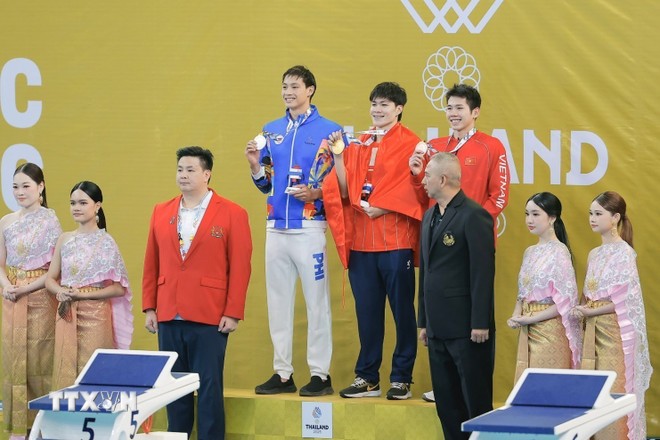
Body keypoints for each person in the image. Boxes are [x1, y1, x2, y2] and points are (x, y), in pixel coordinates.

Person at [324, 82, 426, 400]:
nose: (377, 110)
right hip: (362, 244)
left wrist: (385, 206)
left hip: (395, 241)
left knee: (402, 313)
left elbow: (417, 186)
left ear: (399, 109)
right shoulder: (359, 143)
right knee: (367, 314)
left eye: (384, 104)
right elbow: (343, 190)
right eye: (374, 104)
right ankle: (368, 377)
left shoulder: (413, 143)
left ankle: (401, 378)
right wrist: (338, 157)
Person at [409, 83, 509, 402]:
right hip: (438, 238)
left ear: (475, 112)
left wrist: (472, 223)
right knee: (438, 293)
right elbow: (422, 194)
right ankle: (446, 382)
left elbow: (499, 195)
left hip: (471, 236)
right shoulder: (436, 147)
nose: (453, 113)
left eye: (459, 108)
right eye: (449, 107)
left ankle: (468, 387)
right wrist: (416, 175)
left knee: (472, 299)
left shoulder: (491, 146)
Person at [143, 146, 252, 440]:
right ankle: (177, 436)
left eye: (190, 170)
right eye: (180, 169)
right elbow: (152, 261)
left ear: (207, 174)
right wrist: (150, 306)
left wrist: (233, 312)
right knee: (173, 387)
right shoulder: (161, 211)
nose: (183, 175)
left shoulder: (232, 213)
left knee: (209, 387)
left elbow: (240, 267)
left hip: (210, 314)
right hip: (168, 312)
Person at [245, 65, 340, 397]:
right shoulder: (270, 131)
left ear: (310, 90)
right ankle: (283, 373)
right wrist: (255, 165)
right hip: (276, 227)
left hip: (310, 227)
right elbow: (265, 184)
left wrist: (316, 194)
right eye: (284, 86)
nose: (288, 92)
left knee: (317, 303)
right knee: (278, 303)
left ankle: (320, 374)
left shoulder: (331, 132)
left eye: (295, 86)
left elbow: (341, 182)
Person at [417, 153, 495, 440]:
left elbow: (482, 272)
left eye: (427, 175)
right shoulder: (429, 216)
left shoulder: (473, 215)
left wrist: (480, 322)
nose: (423, 180)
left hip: (466, 328)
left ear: (442, 179)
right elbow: (425, 272)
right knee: (447, 404)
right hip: (437, 327)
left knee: (474, 402)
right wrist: (423, 321)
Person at [571, 192, 652, 440]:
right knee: (591, 392)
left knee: (613, 390)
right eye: (590, 213)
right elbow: (588, 294)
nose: (592, 218)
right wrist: (581, 309)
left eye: (598, 214)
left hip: (614, 335)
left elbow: (624, 300)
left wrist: (591, 310)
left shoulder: (624, 253)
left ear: (615, 217)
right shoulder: (594, 253)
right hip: (591, 332)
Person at [45, 181, 133, 390]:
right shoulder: (64, 239)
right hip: (66, 313)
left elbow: (119, 288)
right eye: (73, 203)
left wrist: (83, 296)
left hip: (96, 316)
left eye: (83, 203)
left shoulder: (107, 242)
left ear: (97, 206)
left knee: (93, 370)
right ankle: (67, 411)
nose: (76, 208)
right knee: (65, 367)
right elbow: (50, 279)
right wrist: (61, 291)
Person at [0, 163, 61, 440]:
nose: (20, 192)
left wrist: (26, 288)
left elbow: (54, 270)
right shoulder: (6, 221)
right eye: (15, 187)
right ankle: (18, 429)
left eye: (26, 186)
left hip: (40, 299)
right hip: (11, 299)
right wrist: (7, 286)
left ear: (41, 187)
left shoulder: (50, 221)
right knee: (13, 361)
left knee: (40, 363)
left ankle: (42, 429)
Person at [507, 192, 582, 384]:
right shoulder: (529, 252)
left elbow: (566, 302)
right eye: (527, 214)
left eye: (535, 214)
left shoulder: (559, 251)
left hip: (550, 332)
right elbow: (522, 293)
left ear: (552, 217)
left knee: (546, 388)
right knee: (527, 387)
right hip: (528, 330)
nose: (529, 220)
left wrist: (531, 318)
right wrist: (516, 315)